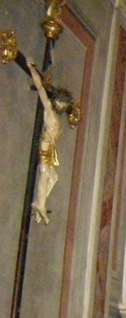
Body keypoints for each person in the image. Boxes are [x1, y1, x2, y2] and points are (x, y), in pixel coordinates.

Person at [27, 57, 73, 224]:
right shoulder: (49, 110)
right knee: (45, 173)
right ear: (57, 101)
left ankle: (39, 202)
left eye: (65, 105)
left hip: (52, 149)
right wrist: (31, 68)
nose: (64, 107)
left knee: (53, 178)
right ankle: (41, 205)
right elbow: (40, 87)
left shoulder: (58, 119)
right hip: (45, 145)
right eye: (63, 103)